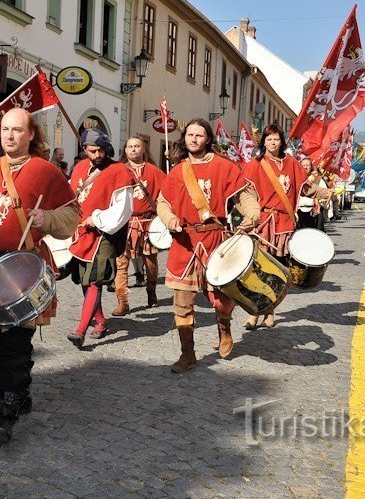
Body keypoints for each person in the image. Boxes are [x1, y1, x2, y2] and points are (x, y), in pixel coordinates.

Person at [0, 108, 77, 445]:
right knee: (1, 341)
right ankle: (20, 391)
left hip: (26, 269)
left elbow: (70, 219)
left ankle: (5, 411)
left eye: (17, 130)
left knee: (15, 343)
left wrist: (46, 218)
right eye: (5, 129)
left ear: (31, 134)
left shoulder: (46, 172)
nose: (9, 136)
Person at [155, 118, 260, 373]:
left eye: (199, 135)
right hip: (185, 243)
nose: (193, 139)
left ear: (208, 139)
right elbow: (163, 203)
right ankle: (187, 354)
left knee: (221, 299)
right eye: (189, 134)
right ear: (184, 138)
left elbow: (245, 198)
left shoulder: (225, 168)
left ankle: (224, 329)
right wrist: (170, 220)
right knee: (181, 302)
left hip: (215, 240)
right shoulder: (177, 171)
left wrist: (251, 216)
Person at [242, 124, 333, 329]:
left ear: (282, 141)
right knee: (257, 269)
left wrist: (323, 193)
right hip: (263, 223)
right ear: (263, 142)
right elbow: (244, 191)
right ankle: (254, 312)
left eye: (276, 139)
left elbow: (306, 188)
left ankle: (270, 311)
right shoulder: (255, 164)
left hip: (284, 224)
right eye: (269, 139)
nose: (273, 143)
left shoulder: (291, 163)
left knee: (276, 269)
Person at [66, 128, 134, 348]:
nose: (98, 155)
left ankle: (80, 331)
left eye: (101, 150)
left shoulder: (119, 171)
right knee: (85, 281)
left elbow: (123, 209)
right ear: (84, 149)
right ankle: (101, 322)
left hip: (105, 233)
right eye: (93, 150)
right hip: (82, 233)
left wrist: (97, 219)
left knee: (95, 280)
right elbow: (71, 197)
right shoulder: (79, 168)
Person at [112, 136, 166, 315]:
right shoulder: (117, 171)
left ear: (143, 149)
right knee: (121, 263)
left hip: (146, 222)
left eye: (137, 146)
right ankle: (123, 302)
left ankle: (151, 290)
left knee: (150, 264)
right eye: (130, 147)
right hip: (124, 224)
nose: (134, 149)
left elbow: (166, 192)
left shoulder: (154, 171)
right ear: (125, 150)